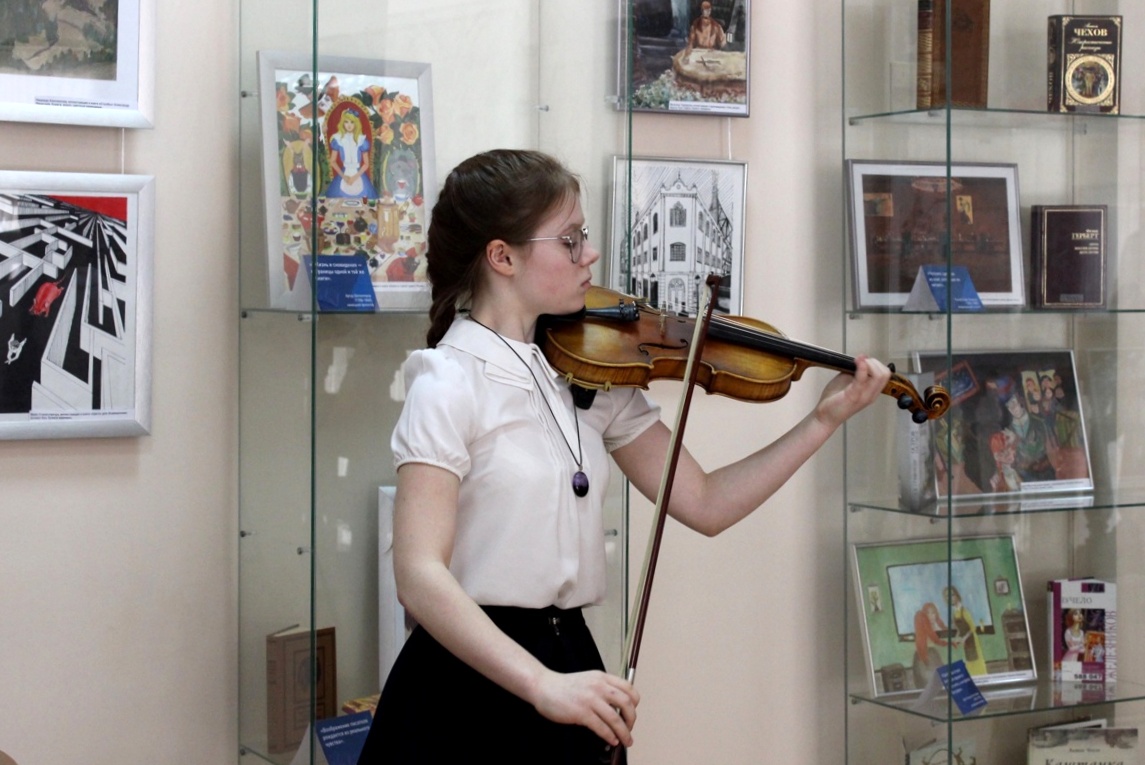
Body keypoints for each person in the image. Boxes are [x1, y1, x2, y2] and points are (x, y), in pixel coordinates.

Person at [355, 149, 891, 764]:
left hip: (570, 663)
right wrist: (541, 684)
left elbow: (705, 502)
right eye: (570, 240)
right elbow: (419, 575)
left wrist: (822, 421)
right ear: (502, 257)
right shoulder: (448, 381)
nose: (590, 255)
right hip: (469, 689)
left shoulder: (589, 375)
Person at [943, 585, 987, 676]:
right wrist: (956, 639)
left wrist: (964, 638)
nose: (950, 598)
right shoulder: (954, 613)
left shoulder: (965, 611)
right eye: (948, 596)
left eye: (952, 595)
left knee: (976, 661)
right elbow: (958, 629)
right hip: (965, 642)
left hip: (972, 640)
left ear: (957, 596)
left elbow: (973, 628)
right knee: (968, 661)